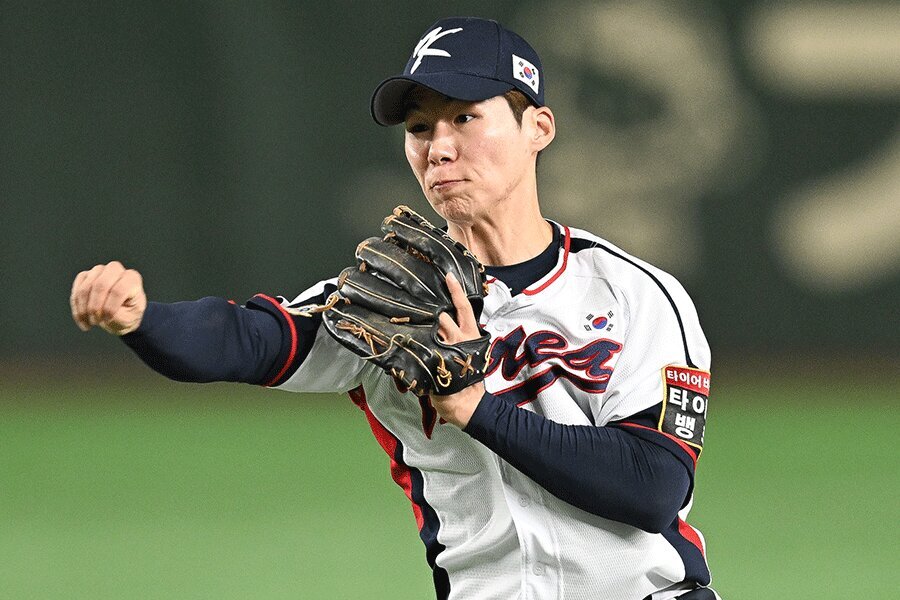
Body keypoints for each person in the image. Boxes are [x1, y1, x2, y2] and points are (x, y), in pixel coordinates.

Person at [70, 17, 720, 600]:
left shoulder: (632, 293)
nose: (438, 147)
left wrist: (476, 410)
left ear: (537, 127)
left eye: (465, 117)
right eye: (418, 128)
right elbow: (248, 339)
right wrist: (143, 318)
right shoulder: (388, 304)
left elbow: (652, 486)